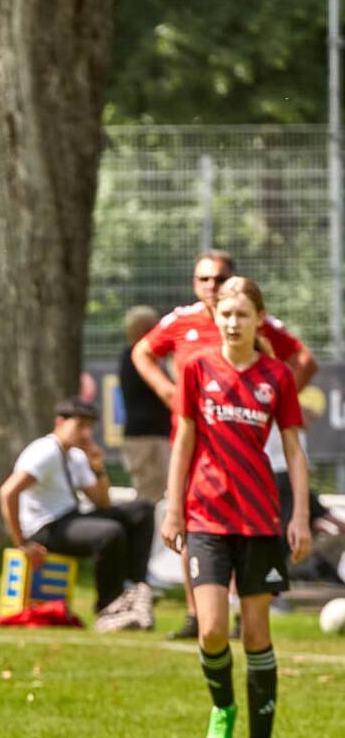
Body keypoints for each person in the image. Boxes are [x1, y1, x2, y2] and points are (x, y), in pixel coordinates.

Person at [161, 277, 310, 738]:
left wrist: (302, 516)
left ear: (258, 320)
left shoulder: (277, 377)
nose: (232, 323)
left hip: (260, 518)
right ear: (214, 317)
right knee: (210, 631)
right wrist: (173, 508)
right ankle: (222, 706)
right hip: (206, 515)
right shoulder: (196, 368)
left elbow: (292, 448)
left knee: (255, 634)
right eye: (225, 314)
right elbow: (183, 441)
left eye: (242, 315)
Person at [131, 250, 316, 639]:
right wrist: (168, 392)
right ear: (194, 284)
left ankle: (237, 612)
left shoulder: (248, 319)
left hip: (244, 453)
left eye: (219, 278)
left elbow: (303, 358)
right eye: (204, 279)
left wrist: (274, 406)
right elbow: (142, 352)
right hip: (194, 443)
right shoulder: (182, 323)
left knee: (240, 531)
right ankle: (197, 614)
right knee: (191, 529)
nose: (212, 286)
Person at [0, 398, 156, 632]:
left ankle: (133, 589)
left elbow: (102, 503)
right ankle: (108, 607)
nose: (86, 433)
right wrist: (22, 543)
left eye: (90, 427)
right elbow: (7, 492)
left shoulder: (76, 456)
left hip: (70, 518)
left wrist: (98, 467)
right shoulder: (44, 451)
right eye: (80, 425)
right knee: (109, 533)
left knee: (141, 511)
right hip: (46, 528)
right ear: (60, 422)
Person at [117, 306, 171, 503]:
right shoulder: (136, 358)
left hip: (157, 436)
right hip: (146, 439)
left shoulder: (147, 359)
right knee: (148, 496)